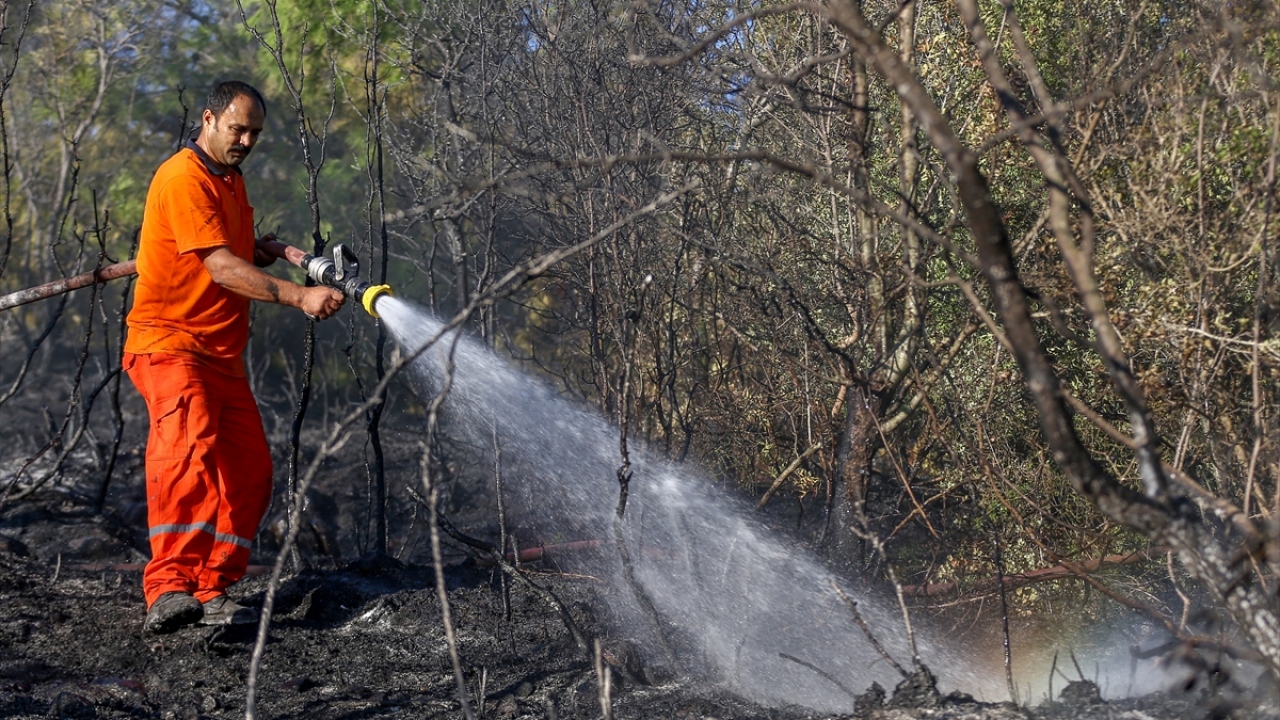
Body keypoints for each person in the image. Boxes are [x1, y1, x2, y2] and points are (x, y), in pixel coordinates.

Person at [124, 80, 345, 633]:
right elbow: (219, 267)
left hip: (219, 356)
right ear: (208, 118)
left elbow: (231, 255)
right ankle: (168, 589)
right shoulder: (183, 178)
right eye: (237, 127)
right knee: (185, 461)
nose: (246, 139)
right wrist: (299, 295)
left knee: (249, 473)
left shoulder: (229, 181)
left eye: (254, 132)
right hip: (171, 344)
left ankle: (211, 587)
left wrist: (261, 250)